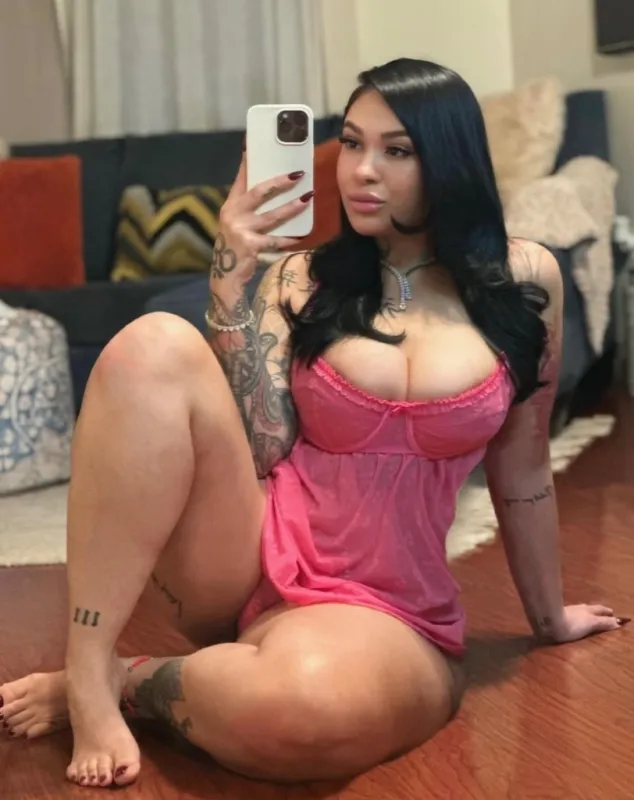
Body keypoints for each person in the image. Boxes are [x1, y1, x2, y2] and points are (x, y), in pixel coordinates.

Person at [0, 58, 626, 789]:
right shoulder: (301, 278)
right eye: (352, 143)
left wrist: (549, 618)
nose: (360, 170)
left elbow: (524, 469)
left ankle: (131, 678)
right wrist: (230, 283)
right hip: (251, 558)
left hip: (389, 609)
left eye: (396, 150)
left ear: (449, 159)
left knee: (308, 712)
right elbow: (264, 447)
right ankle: (87, 674)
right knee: (151, 345)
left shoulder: (523, 280)